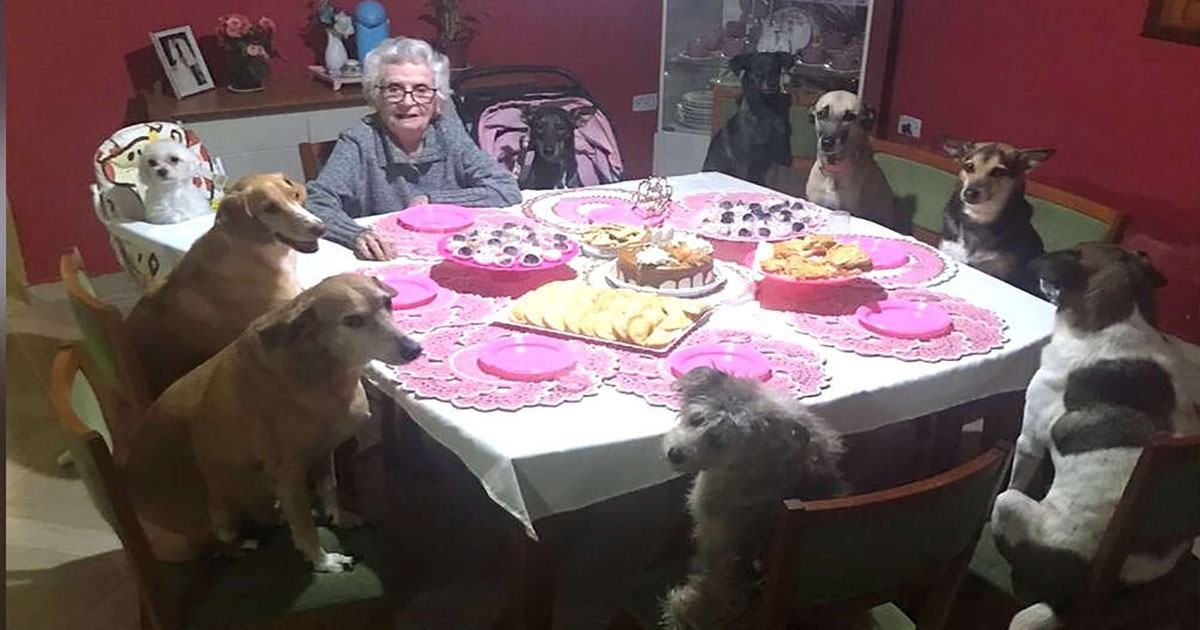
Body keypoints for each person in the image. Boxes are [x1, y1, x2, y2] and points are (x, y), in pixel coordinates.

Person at [306, 37, 521, 260]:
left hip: (447, 253)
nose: (408, 102)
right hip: (386, 260)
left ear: (437, 100)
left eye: (421, 90)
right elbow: (316, 204)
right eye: (394, 89)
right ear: (376, 96)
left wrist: (432, 200)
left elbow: (505, 189)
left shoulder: (449, 132)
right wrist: (356, 235)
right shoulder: (360, 140)